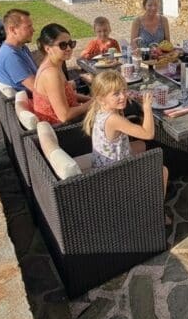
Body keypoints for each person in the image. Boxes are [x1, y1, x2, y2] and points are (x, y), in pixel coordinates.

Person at [82, 70, 169, 208]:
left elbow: (136, 134)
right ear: (100, 98)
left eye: (124, 90)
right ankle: (157, 212)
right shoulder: (113, 119)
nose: (122, 96)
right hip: (114, 174)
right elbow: (148, 134)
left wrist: (132, 96)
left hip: (103, 164)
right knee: (162, 170)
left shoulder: (102, 109)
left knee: (141, 145)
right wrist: (147, 108)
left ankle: (145, 194)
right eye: (116, 94)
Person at [32, 24, 91, 125]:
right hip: (63, 129)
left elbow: (66, 95)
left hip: (69, 123)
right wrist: (94, 103)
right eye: (62, 45)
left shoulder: (53, 66)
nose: (68, 48)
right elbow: (64, 116)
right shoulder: (51, 74)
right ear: (48, 49)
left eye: (71, 44)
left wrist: (92, 100)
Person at [0, 8, 37, 92]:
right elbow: (37, 88)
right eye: (28, 27)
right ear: (13, 30)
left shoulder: (21, 47)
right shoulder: (10, 56)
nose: (33, 30)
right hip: (31, 100)